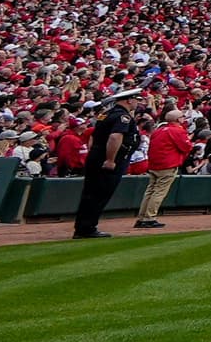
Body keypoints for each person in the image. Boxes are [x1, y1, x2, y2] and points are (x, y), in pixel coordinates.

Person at [69, 91, 145, 239]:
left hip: (97, 156)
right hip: (108, 160)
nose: (137, 103)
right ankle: (87, 228)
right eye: (136, 100)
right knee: (99, 194)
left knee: (91, 193)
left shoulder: (106, 113)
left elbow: (94, 136)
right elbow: (115, 137)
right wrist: (110, 159)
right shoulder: (122, 116)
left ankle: (84, 227)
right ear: (129, 100)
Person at [131, 96, 194, 229]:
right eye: (182, 117)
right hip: (167, 165)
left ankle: (142, 217)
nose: (184, 119)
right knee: (159, 192)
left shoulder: (158, 130)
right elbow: (186, 147)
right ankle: (149, 218)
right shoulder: (177, 130)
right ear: (178, 120)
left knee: (150, 191)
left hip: (154, 164)